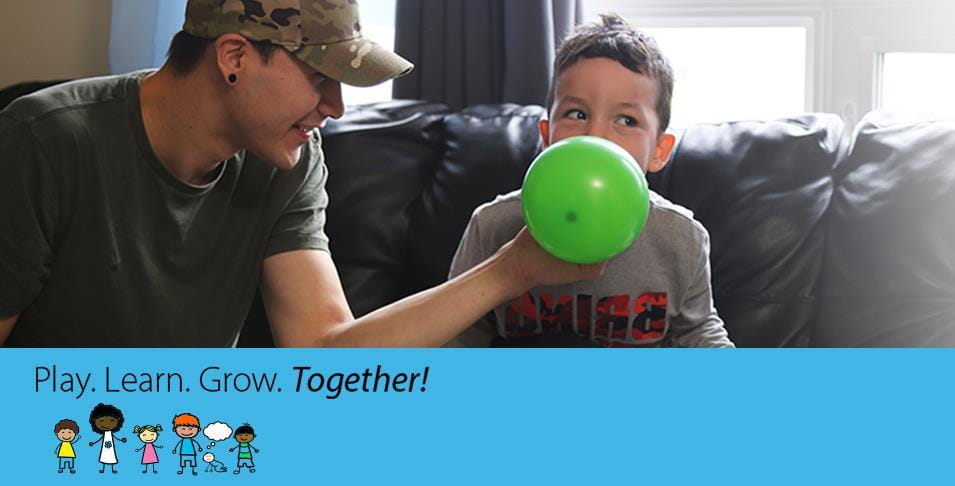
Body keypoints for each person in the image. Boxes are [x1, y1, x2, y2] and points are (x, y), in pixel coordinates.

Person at [0, 0, 601, 347]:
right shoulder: (45, 140)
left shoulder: (288, 160)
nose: (337, 107)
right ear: (234, 57)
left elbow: (324, 355)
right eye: (321, 78)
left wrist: (512, 271)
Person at [447, 14, 733, 347]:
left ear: (659, 150)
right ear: (547, 137)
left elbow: (698, 332)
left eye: (626, 119)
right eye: (577, 114)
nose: (595, 137)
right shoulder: (492, 226)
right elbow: (459, 338)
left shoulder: (681, 239)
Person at [86, 403, 127, 474]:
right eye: (101, 421)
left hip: (110, 448)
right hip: (105, 448)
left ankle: (112, 469)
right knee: (104, 456)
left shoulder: (110, 434)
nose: (106, 424)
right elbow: (100, 439)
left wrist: (121, 440)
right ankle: (103, 469)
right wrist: (93, 443)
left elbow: (115, 438)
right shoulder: (105, 434)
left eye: (112, 421)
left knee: (111, 456)